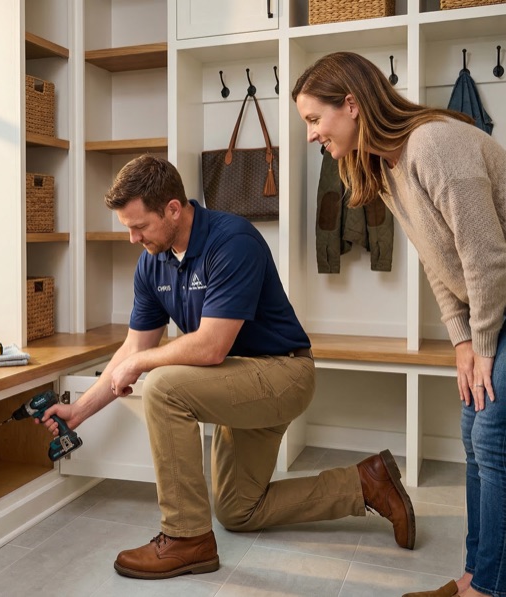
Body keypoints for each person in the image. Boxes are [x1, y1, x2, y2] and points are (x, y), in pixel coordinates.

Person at [41, 154, 416, 580]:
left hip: (283, 374)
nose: (132, 238)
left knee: (163, 386)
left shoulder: (232, 240)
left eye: (139, 226)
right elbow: (133, 348)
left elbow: (211, 347)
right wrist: (79, 411)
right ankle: (366, 483)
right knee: (239, 510)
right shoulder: (152, 262)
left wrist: (144, 363)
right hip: (234, 381)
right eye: (127, 227)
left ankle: (186, 539)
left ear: (173, 209)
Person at [292, 51, 506, 597]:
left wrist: (481, 342)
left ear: (352, 105)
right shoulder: (385, 167)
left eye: (315, 120)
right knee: (472, 433)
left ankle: (490, 588)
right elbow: (441, 264)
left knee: (493, 433)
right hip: (491, 306)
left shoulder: (434, 144)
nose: (312, 135)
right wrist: (462, 340)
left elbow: (485, 256)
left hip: (500, 295)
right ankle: (475, 577)